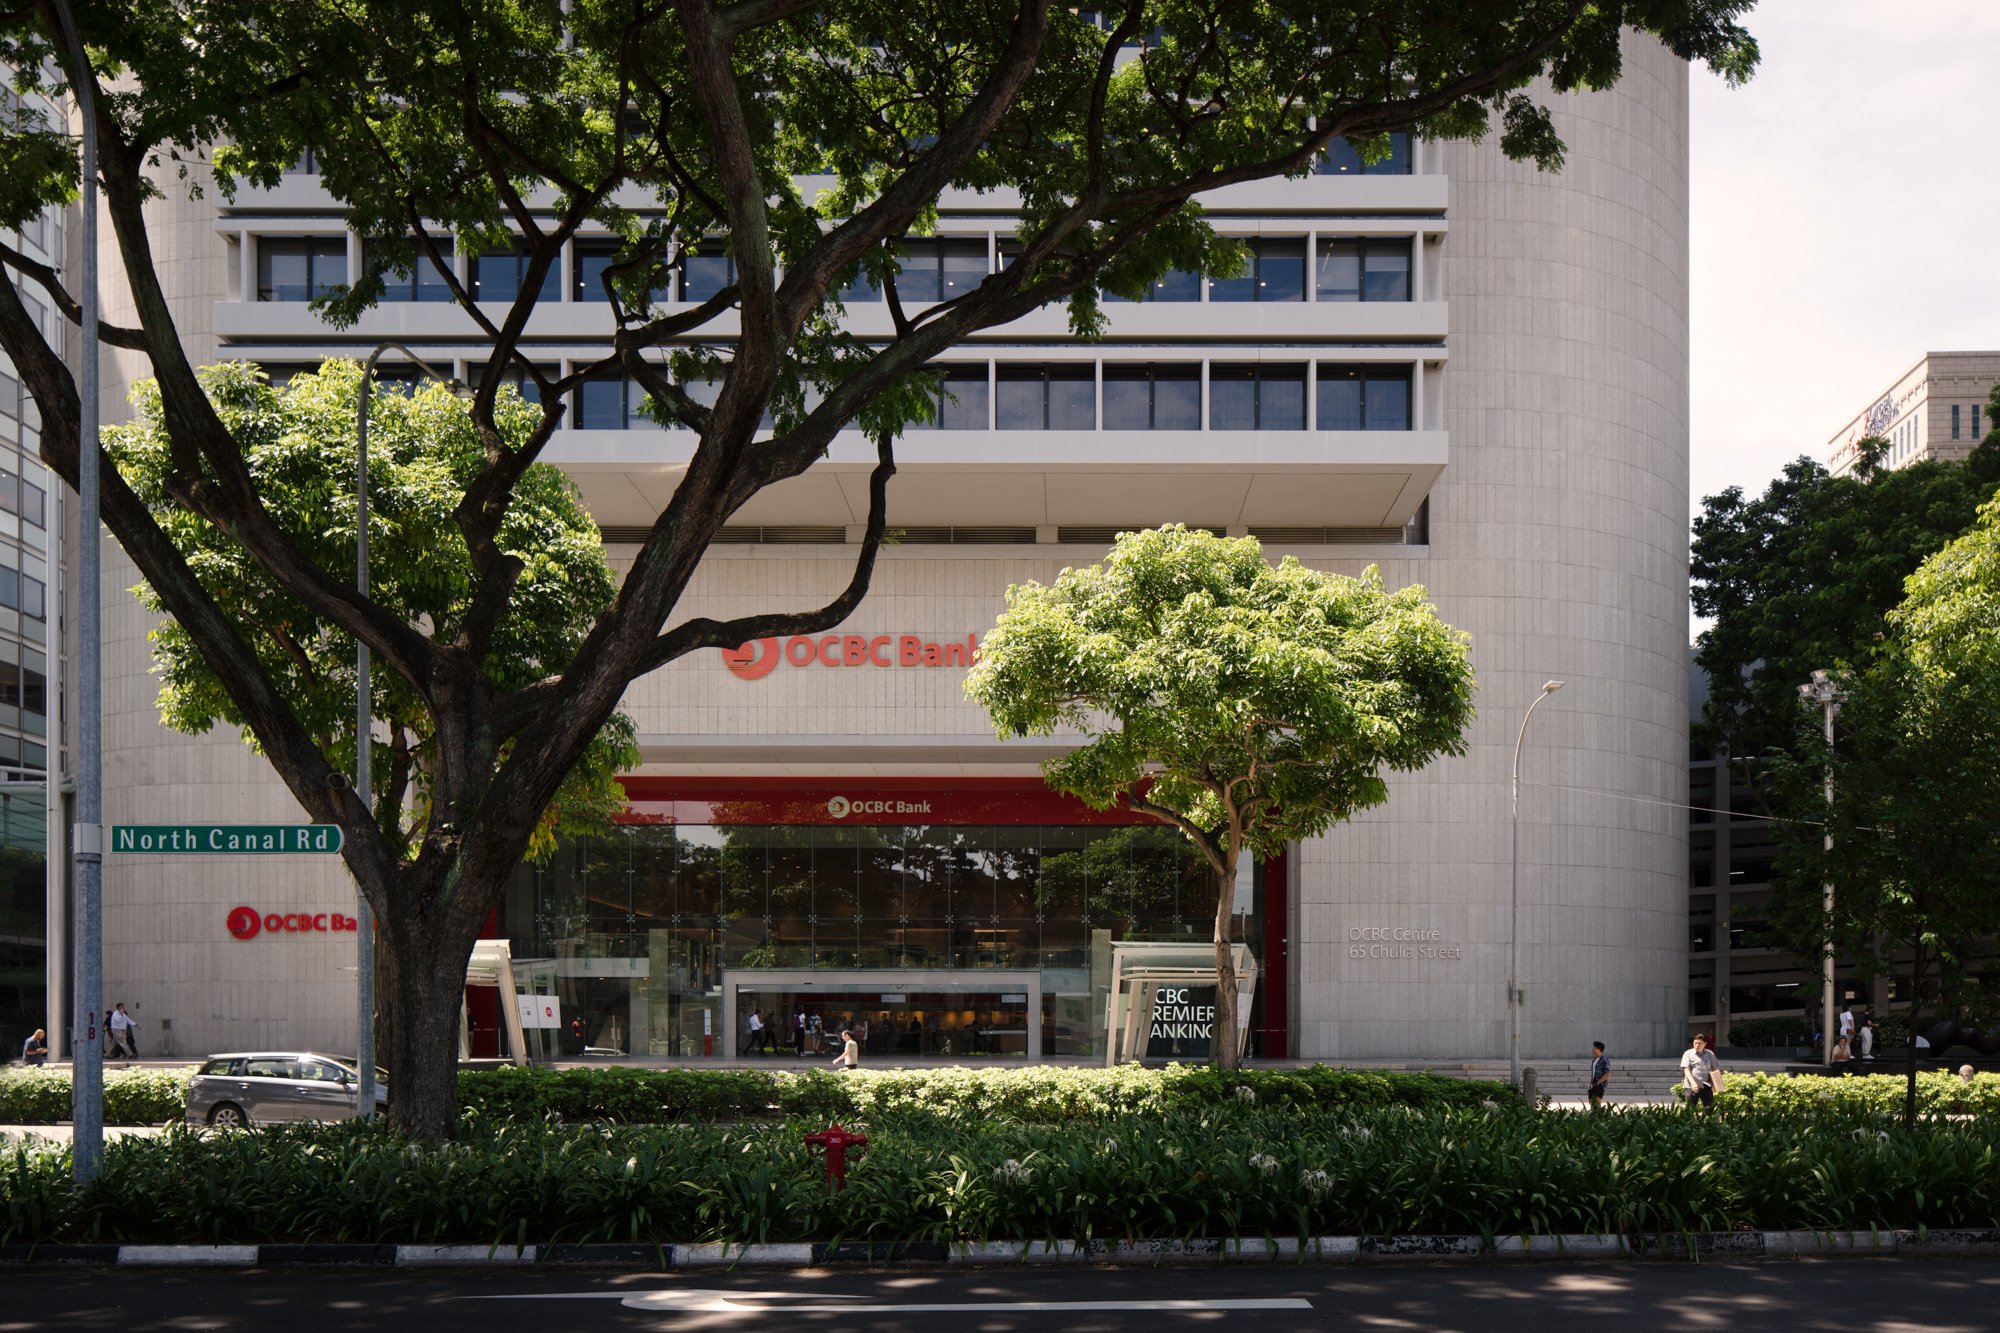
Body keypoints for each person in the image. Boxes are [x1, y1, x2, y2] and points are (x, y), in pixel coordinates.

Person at [1680, 1033, 1721, 1112]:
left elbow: (1715, 1068)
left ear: (1705, 1044)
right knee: (1690, 1110)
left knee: (1709, 1109)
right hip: (1691, 1086)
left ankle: (1708, 1123)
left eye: (1699, 1043)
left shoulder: (1709, 1054)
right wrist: (1693, 1083)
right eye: (1695, 1043)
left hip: (1706, 1085)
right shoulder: (1688, 1054)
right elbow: (1686, 1069)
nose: (1697, 1045)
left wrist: (1717, 1084)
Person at [1587, 1041, 1612, 1109]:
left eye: (1594, 1049)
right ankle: (1593, 1117)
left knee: (1597, 1103)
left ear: (1598, 1049)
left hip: (1599, 1085)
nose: (1592, 1050)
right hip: (1593, 1085)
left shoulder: (1605, 1060)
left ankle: (1598, 1117)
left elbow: (1608, 1074)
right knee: (1591, 1102)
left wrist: (1599, 1082)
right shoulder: (1594, 1060)